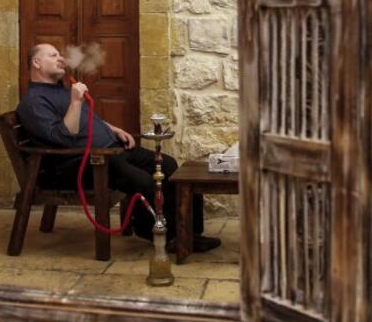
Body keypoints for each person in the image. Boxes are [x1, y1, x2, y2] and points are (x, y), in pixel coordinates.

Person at [16, 43, 220, 252]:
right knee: (143, 181)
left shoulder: (62, 89)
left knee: (168, 165)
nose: (60, 58)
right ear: (36, 62)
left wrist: (113, 129)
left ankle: (191, 233)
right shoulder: (33, 102)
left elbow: (89, 119)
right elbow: (62, 138)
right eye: (53, 55)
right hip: (79, 165)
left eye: (60, 54)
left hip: (110, 151)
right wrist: (76, 102)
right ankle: (165, 235)